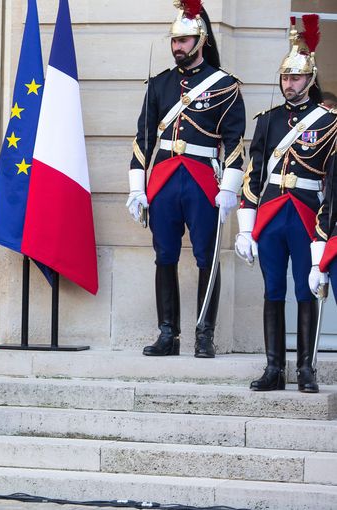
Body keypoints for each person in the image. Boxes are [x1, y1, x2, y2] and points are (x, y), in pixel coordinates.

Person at [127, 0, 245, 358]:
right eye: (174, 40)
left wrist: (229, 188)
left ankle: (205, 334)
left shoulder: (225, 85)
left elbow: (235, 142)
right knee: (164, 255)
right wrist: (136, 188)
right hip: (163, 180)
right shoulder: (160, 84)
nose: (177, 47)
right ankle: (168, 334)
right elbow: (143, 139)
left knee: (207, 257)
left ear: (201, 40)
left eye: (184, 40)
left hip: (202, 180)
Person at [241, 15, 335, 393]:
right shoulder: (268, 121)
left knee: (305, 290)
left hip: (307, 214)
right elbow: (254, 174)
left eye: (295, 78)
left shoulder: (329, 123)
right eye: (285, 77)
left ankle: (306, 369)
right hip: (271, 213)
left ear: (309, 80)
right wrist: (246, 227)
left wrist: (324, 240)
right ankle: (274, 368)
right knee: (272, 290)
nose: (288, 84)